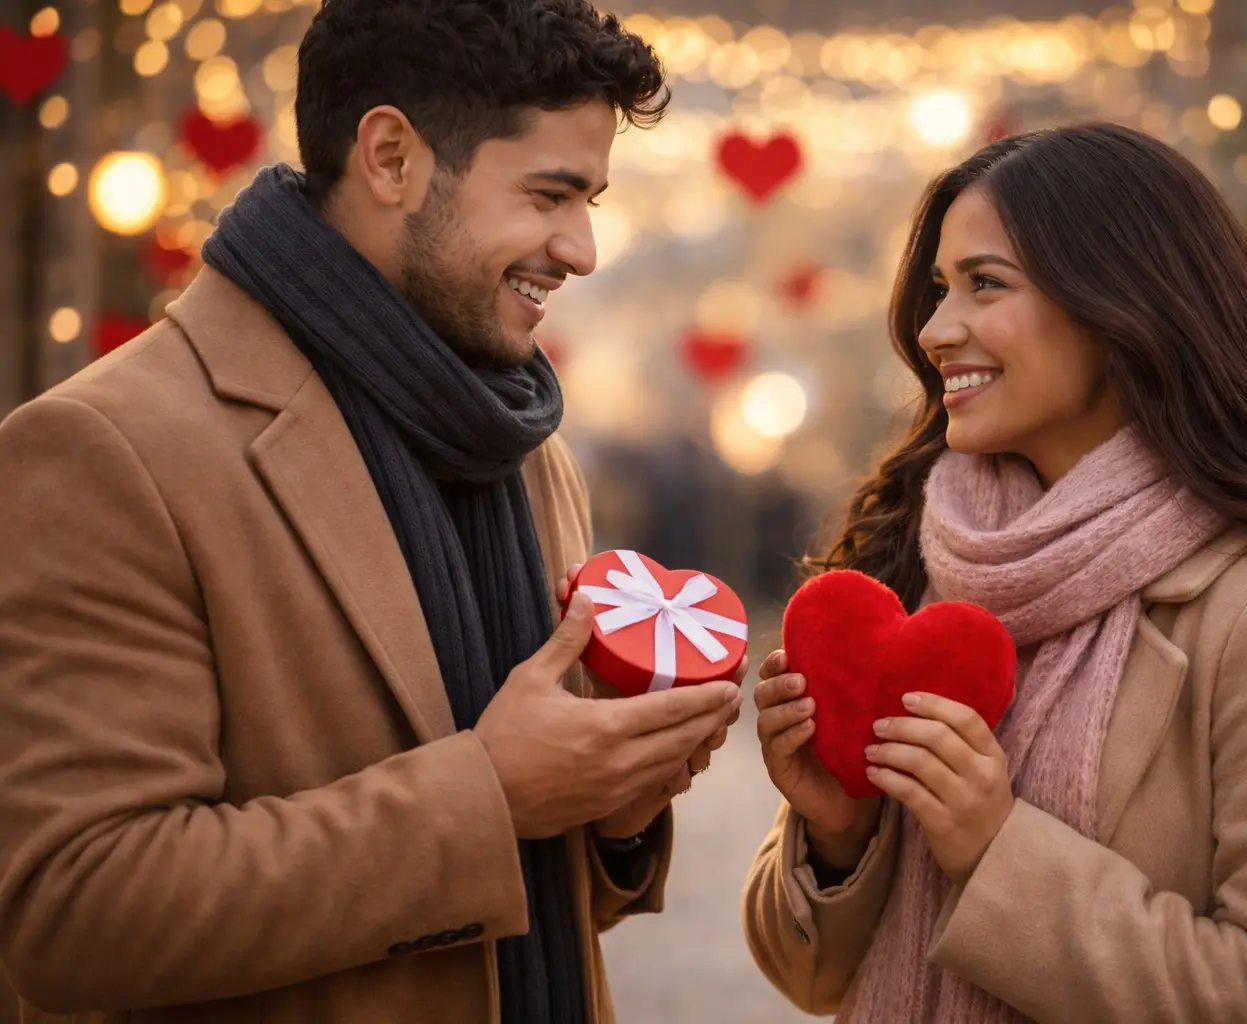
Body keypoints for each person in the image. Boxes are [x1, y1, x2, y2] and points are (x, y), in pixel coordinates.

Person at [0, 1, 743, 1021]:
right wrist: (491, 793)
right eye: (549, 195)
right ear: (391, 158)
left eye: (591, 202)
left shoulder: (523, 445)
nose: (581, 248)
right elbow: (73, 915)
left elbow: (499, 916)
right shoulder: (108, 450)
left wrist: (610, 807)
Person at [742, 123, 1247, 1022]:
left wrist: (996, 850)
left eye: (985, 284)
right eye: (940, 289)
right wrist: (839, 836)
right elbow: (812, 981)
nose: (935, 330)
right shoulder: (926, 567)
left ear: (1118, 308)